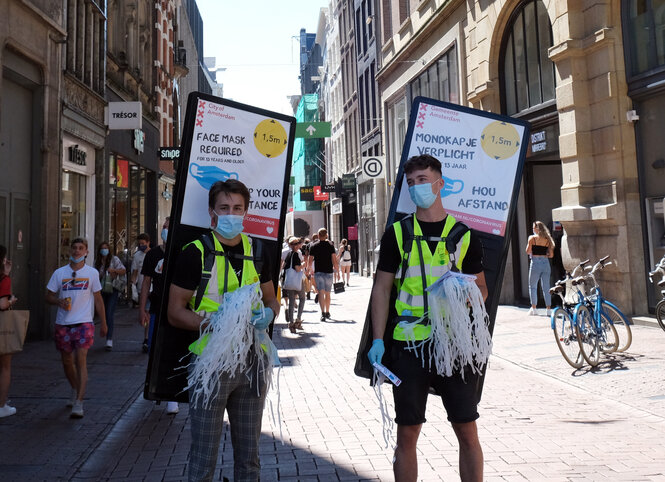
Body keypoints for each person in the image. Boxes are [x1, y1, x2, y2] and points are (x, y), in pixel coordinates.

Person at [368, 154, 488, 482]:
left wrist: (459, 292)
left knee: (466, 429)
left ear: (440, 183)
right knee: (407, 434)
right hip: (407, 344)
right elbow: (381, 288)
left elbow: (482, 290)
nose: (417, 187)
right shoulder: (397, 233)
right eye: (411, 183)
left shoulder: (464, 235)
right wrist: (378, 340)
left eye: (423, 180)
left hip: (453, 345)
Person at [167, 179, 279, 481]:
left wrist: (267, 313)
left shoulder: (258, 250)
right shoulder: (195, 252)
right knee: (203, 460)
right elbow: (175, 311)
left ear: (246, 211)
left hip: (252, 363)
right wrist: (215, 323)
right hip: (211, 363)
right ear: (212, 212)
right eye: (225, 208)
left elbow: (272, 298)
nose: (231, 214)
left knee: (250, 460)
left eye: (237, 208)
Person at [46, 238, 108, 419]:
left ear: (86, 252)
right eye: (74, 248)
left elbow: (98, 299)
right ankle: (74, 388)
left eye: (81, 248)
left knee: (81, 359)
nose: (77, 251)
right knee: (67, 362)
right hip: (63, 323)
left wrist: (104, 323)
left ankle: (79, 402)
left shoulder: (92, 273)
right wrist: (58, 301)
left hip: (84, 323)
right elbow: (48, 296)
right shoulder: (59, 273)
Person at [139, 217, 179, 415]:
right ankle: (156, 388)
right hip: (156, 309)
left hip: (176, 311)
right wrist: (142, 308)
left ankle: (172, 396)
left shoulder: (181, 252)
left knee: (172, 351)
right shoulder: (153, 254)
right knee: (155, 350)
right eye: (163, 227)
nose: (164, 230)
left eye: (167, 227)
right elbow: (146, 281)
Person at [95, 242, 126, 351]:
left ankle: (109, 339)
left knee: (109, 313)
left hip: (112, 289)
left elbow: (123, 270)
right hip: (101, 289)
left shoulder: (114, 259)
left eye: (106, 248)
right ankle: (105, 333)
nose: (104, 250)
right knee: (102, 313)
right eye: (102, 248)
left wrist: (113, 270)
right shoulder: (97, 262)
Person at [0, 245, 18, 418]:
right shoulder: (4, 280)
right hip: (2, 326)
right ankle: (2, 405)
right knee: (5, 367)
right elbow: (2, 304)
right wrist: (12, 300)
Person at [526, 220, 555, 316]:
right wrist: (545, 255)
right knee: (546, 287)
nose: (533, 229)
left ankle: (534, 308)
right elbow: (551, 255)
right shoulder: (548, 239)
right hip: (545, 263)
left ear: (537, 229)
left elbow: (527, 251)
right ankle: (548, 309)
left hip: (535, 263)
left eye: (534, 228)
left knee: (533, 286)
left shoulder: (532, 238)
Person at [308, 228, 338, 321]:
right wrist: (336, 269)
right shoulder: (330, 245)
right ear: (326, 235)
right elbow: (334, 259)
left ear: (318, 235)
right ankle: (328, 311)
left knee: (321, 292)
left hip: (318, 272)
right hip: (329, 271)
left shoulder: (313, 245)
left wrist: (310, 269)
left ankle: (323, 313)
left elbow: (310, 259)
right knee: (328, 293)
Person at [131, 233, 150, 347]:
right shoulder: (137, 256)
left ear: (148, 242)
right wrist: (132, 284)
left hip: (152, 289)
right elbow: (135, 272)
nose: (141, 246)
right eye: (140, 244)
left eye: (143, 243)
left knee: (148, 312)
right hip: (140, 289)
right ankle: (146, 337)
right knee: (145, 313)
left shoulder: (153, 254)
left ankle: (147, 337)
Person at [283, 237, 306, 333]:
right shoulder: (296, 255)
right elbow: (297, 269)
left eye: (297, 244)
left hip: (289, 281)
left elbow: (284, 266)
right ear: (292, 245)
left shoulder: (288, 254)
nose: (297, 246)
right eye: (295, 244)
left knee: (291, 301)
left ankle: (291, 323)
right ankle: (298, 320)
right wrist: (303, 265)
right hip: (297, 281)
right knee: (302, 298)